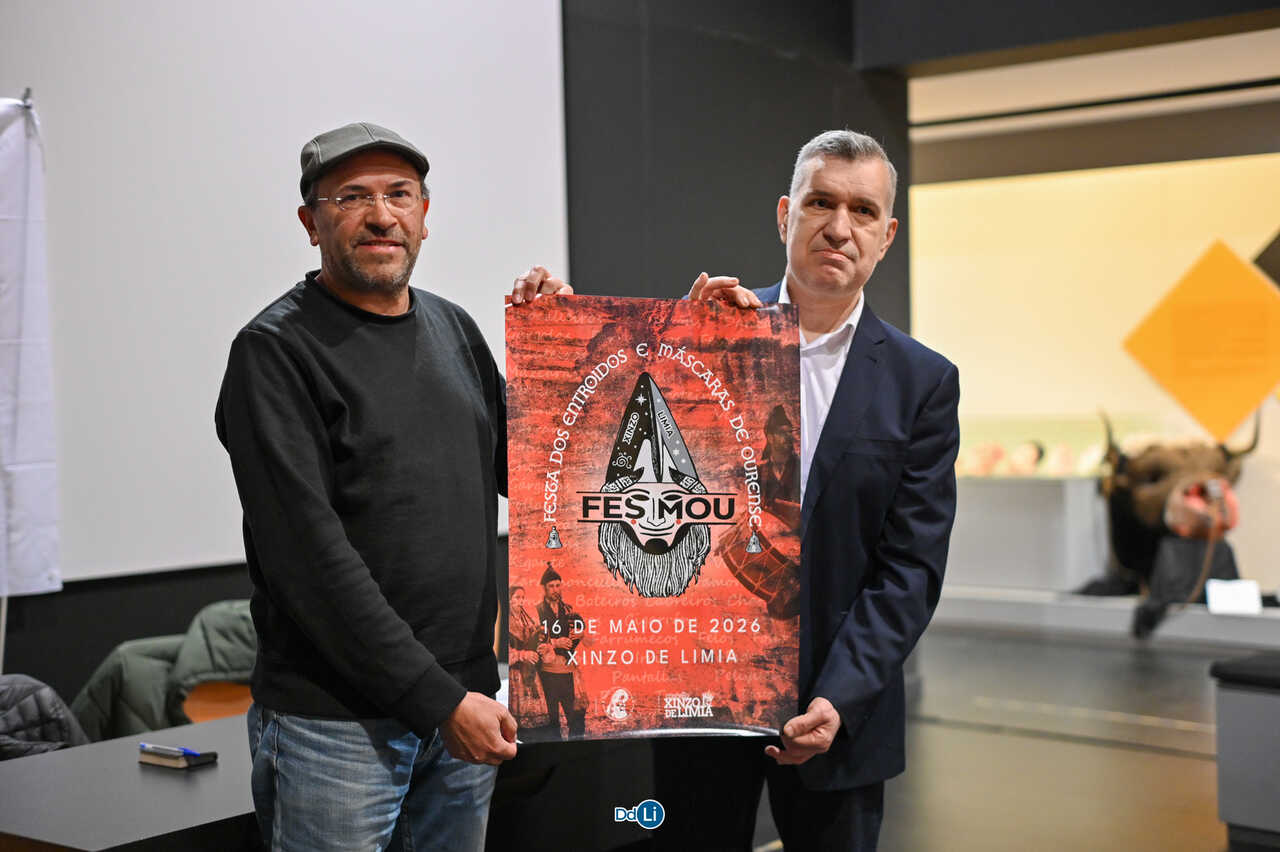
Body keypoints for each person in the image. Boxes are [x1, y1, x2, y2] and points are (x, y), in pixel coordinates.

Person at [512, 129, 959, 850]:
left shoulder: (922, 381)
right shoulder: (705, 333)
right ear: (785, 215)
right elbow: (602, 461)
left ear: (888, 235)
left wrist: (839, 696)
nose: (838, 227)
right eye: (820, 202)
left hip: (837, 713)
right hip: (703, 699)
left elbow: (909, 569)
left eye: (863, 211)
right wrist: (557, 330)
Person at [216, 122, 565, 851]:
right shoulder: (273, 353)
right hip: (337, 730)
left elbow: (539, 477)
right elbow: (310, 563)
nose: (381, 216)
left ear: (424, 215)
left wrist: (558, 350)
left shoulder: (453, 329)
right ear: (311, 223)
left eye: (400, 195)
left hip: (466, 707)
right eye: (352, 197)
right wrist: (439, 702)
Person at [534, 564, 587, 738]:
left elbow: (579, 630)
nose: (555, 589)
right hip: (546, 673)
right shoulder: (537, 611)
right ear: (544, 588)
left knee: (576, 716)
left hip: (567, 670)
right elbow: (533, 640)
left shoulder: (568, 610)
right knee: (551, 719)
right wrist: (555, 643)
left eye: (558, 585)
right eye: (551, 586)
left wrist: (579, 633)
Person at [507, 585, 551, 733]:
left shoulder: (527, 620)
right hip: (515, 674)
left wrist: (541, 641)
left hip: (530, 671)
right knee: (517, 723)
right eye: (517, 597)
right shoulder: (506, 622)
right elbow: (505, 652)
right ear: (510, 599)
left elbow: (534, 641)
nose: (521, 601)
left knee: (535, 724)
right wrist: (523, 655)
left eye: (523, 598)